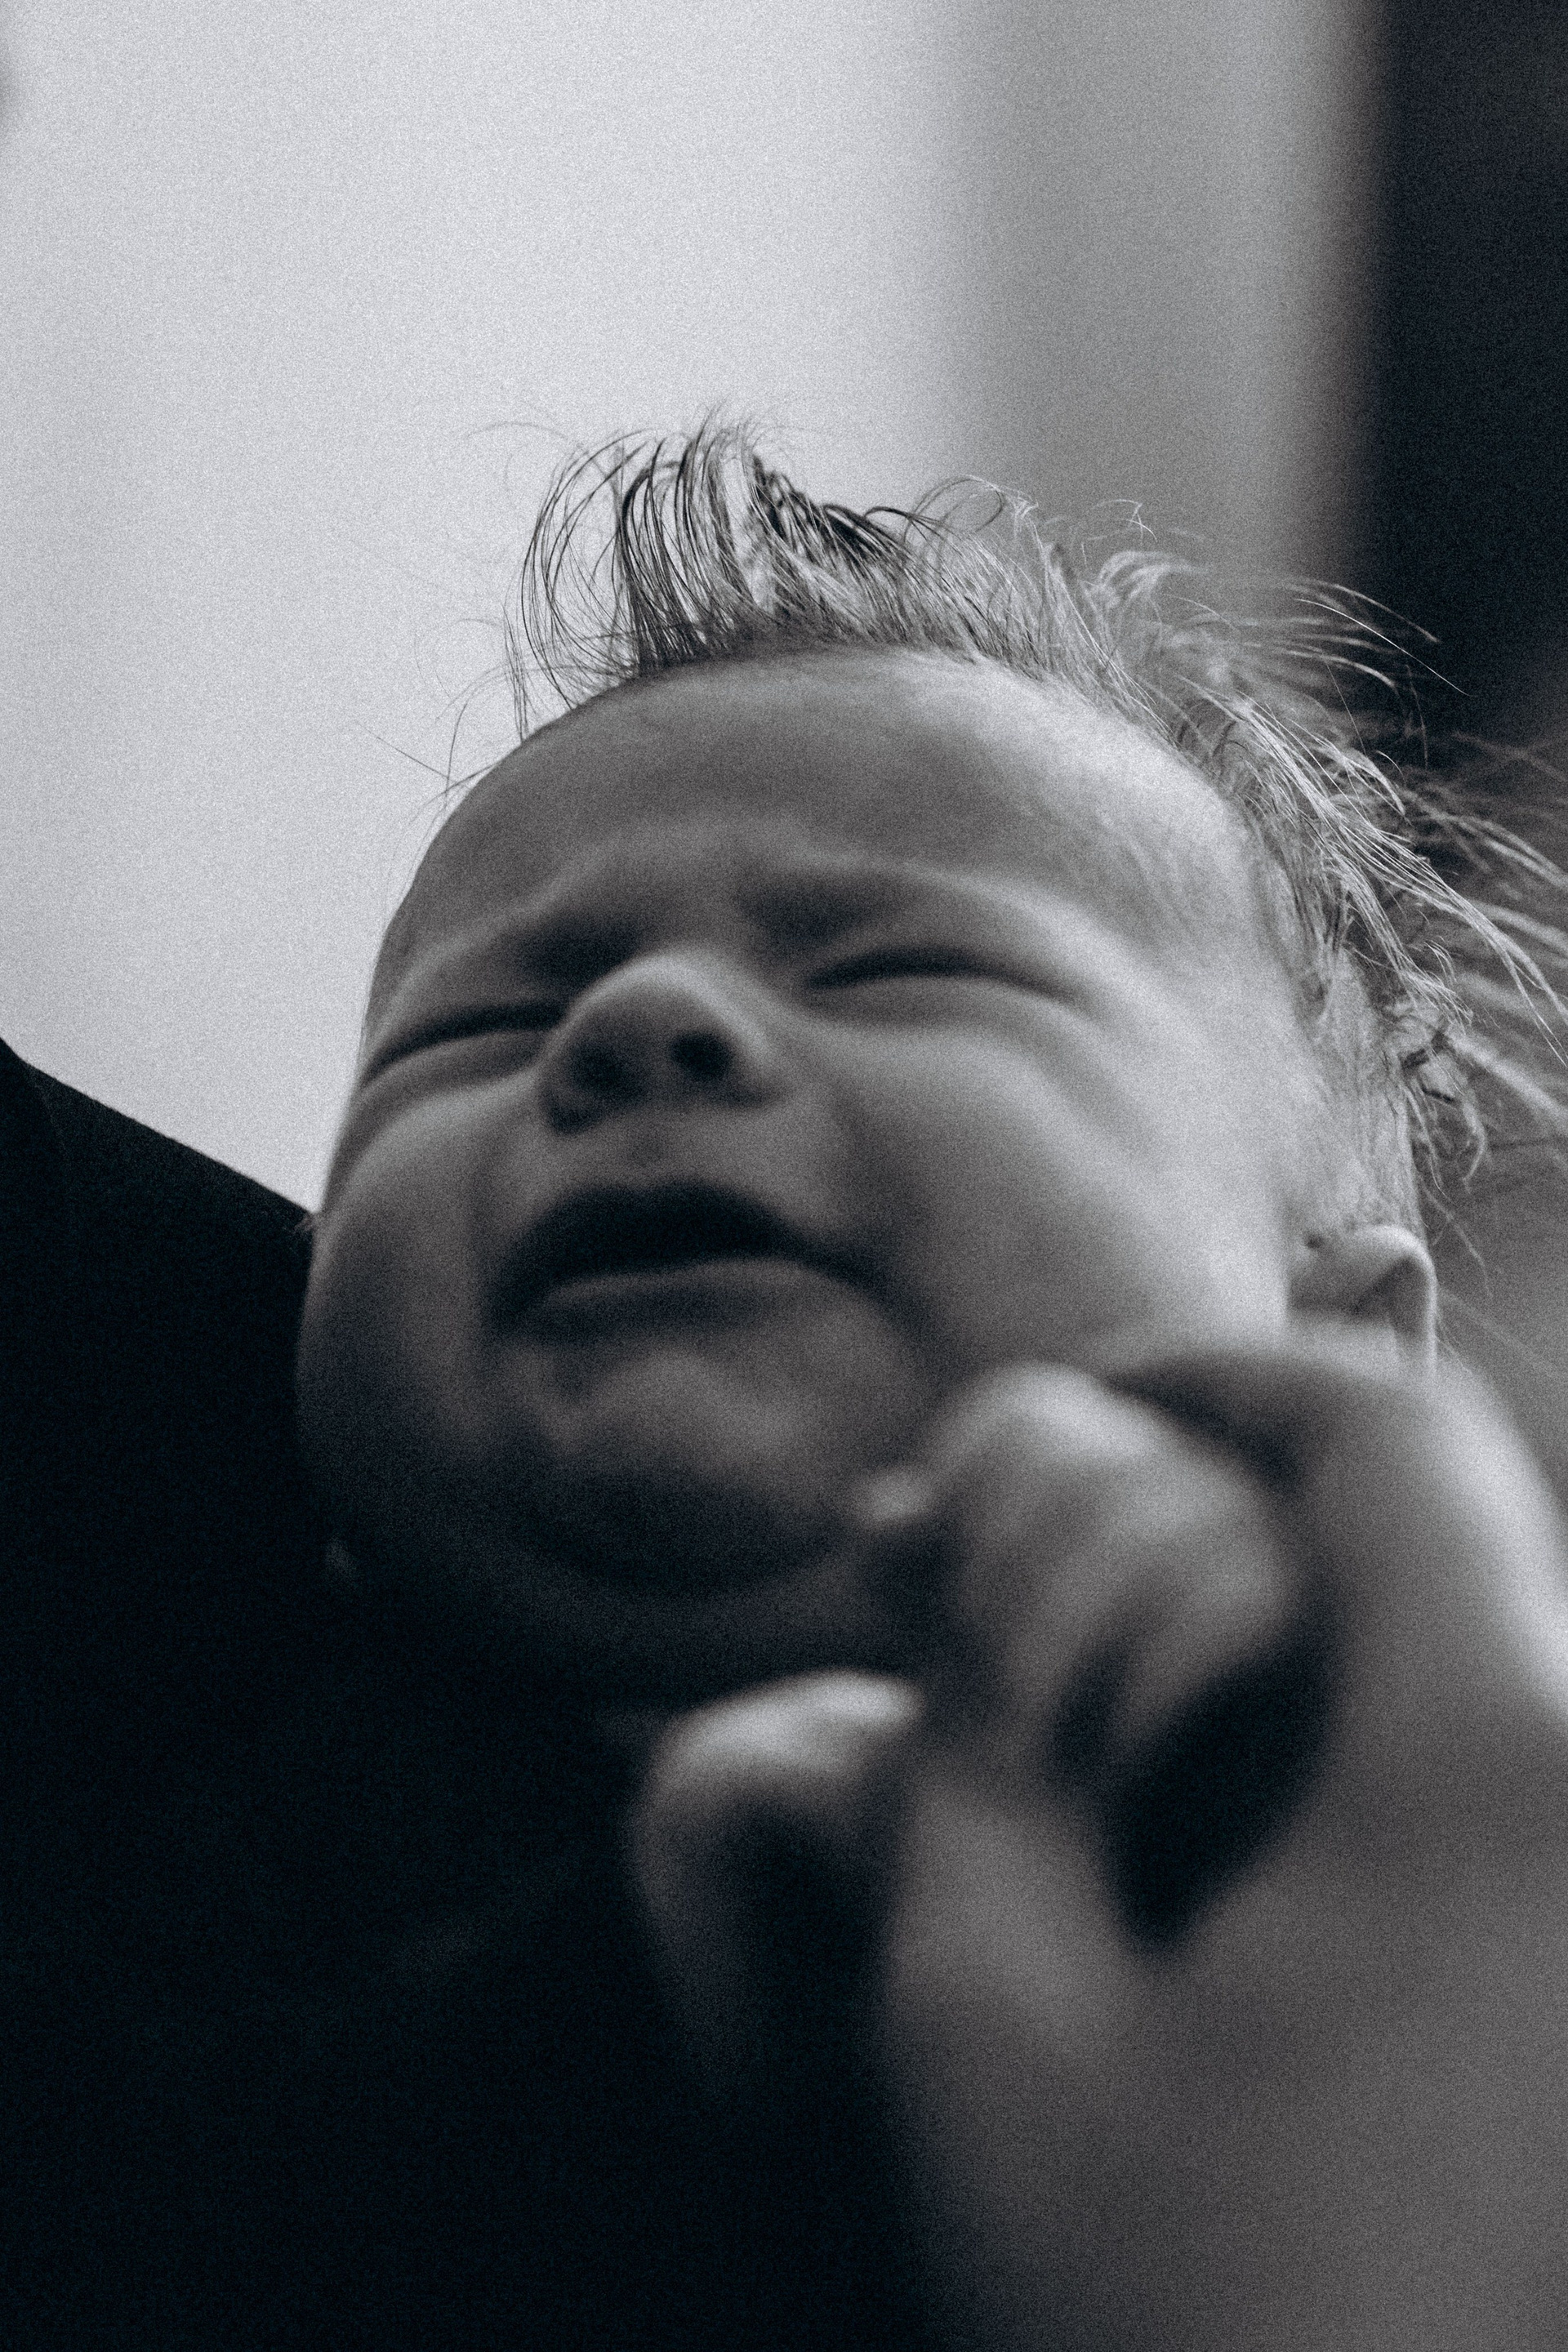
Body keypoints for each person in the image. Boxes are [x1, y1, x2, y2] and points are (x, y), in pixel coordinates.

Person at [5, 424, 1566, 2348]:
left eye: (899, 969)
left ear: (1336, 1348)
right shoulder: (183, 1763)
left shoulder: (1395, 1823)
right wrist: (631, 1989)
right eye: (477, 1026)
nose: (631, 1022)